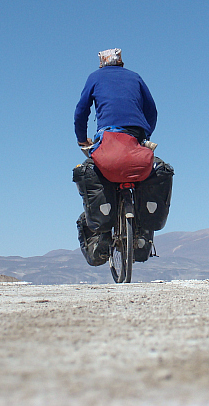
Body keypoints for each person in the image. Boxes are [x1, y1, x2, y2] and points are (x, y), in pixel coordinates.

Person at [74, 48, 158, 266]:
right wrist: (145, 134)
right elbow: (152, 111)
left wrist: (82, 140)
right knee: (144, 173)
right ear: (121, 63)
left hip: (108, 136)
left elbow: (81, 111)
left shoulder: (95, 77)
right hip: (135, 135)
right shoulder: (135, 77)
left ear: (102, 63)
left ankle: (102, 233)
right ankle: (140, 231)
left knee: (98, 172)